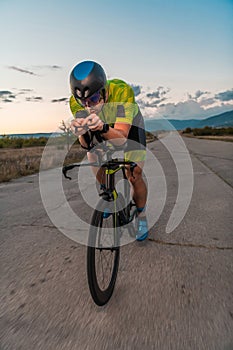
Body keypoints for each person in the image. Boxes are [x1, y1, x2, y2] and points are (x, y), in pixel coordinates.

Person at [69, 60, 148, 241]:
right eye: (83, 102)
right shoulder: (76, 103)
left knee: (134, 173)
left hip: (129, 128)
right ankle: (108, 193)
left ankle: (141, 215)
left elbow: (121, 140)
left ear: (104, 90)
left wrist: (103, 128)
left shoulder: (122, 91)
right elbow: (86, 144)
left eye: (94, 99)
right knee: (93, 154)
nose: (89, 107)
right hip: (101, 126)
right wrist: (81, 133)